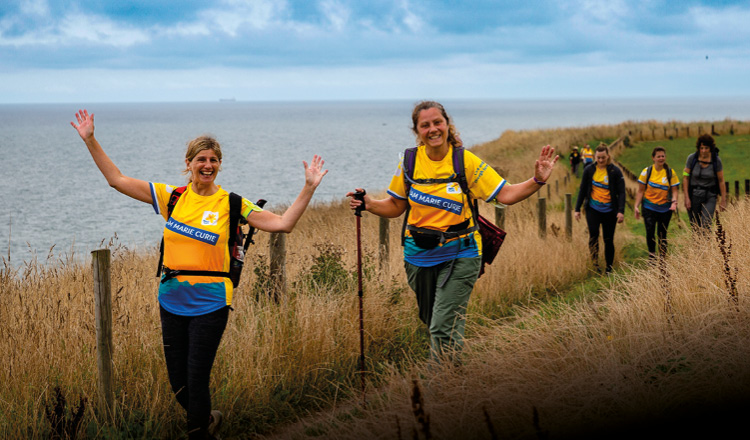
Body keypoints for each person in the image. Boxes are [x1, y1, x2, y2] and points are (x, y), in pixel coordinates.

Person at [71, 109, 328, 439]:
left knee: (196, 377)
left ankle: (197, 433)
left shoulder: (232, 203)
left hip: (212, 301)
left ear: (219, 164)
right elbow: (116, 180)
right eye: (201, 159)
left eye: (213, 160)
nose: (207, 165)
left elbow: (283, 224)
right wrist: (90, 139)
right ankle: (207, 423)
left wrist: (308, 187)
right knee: (178, 383)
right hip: (171, 299)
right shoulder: (172, 197)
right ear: (189, 163)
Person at [346, 101, 558, 363]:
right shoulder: (410, 161)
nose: (433, 129)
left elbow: (506, 194)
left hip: (462, 252)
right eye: (425, 125)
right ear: (417, 130)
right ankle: (456, 377)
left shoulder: (464, 161)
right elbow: (396, 206)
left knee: (441, 326)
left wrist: (537, 180)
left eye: (438, 122)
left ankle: (440, 389)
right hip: (417, 256)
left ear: (447, 125)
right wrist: (369, 204)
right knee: (435, 320)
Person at [574, 144, 625, 274]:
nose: (601, 160)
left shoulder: (615, 171)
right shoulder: (589, 170)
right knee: (594, 235)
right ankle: (595, 263)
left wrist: (620, 211)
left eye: (603, 158)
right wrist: (577, 209)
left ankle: (609, 267)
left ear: (608, 156)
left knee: (608, 239)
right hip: (593, 209)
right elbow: (582, 190)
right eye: (598, 158)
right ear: (595, 157)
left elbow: (622, 193)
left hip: (610, 211)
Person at [634, 147, 680, 259]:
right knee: (650, 232)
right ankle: (652, 256)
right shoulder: (647, 172)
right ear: (653, 158)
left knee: (662, 233)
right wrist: (636, 206)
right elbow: (640, 191)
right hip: (649, 207)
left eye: (663, 156)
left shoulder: (670, 172)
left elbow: (675, 190)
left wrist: (674, 202)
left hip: (665, 209)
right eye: (658, 156)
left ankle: (663, 257)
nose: (661, 158)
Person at [683, 134, 726, 230]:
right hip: (694, 195)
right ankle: (698, 245)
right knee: (695, 226)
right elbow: (685, 177)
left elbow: (721, 180)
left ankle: (706, 244)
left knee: (706, 223)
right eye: (701, 148)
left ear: (711, 148)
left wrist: (723, 200)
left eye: (706, 148)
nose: (703, 151)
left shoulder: (716, 161)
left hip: (710, 195)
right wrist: (686, 198)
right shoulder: (692, 158)